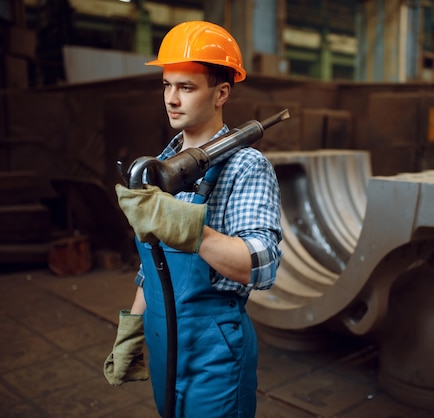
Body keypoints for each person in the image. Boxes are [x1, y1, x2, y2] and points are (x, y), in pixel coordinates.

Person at [103, 20, 283, 418]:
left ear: (221, 93)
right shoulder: (161, 164)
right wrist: (134, 324)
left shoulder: (246, 167)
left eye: (186, 87)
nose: (172, 99)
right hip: (163, 336)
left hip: (212, 347)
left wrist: (187, 226)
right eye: (167, 85)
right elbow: (153, 261)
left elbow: (262, 263)